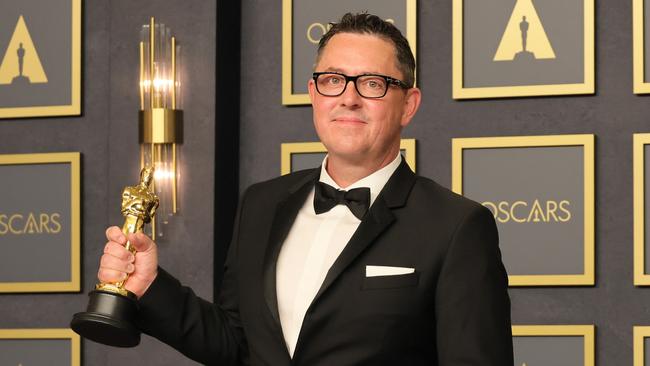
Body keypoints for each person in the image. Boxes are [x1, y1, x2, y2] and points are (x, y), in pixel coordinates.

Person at [99, 12, 513, 366]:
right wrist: (150, 285)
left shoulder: (457, 226)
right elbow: (237, 344)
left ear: (408, 104)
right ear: (315, 94)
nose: (348, 98)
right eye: (334, 80)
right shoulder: (262, 203)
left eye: (372, 84)